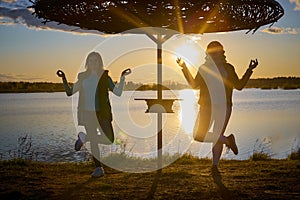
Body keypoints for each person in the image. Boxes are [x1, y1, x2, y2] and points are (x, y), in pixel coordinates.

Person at [177, 41, 258, 172]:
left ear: (221, 52)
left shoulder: (228, 68)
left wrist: (249, 70)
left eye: (216, 51)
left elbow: (239, 86)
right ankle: (228, 140)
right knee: (198, 135)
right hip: (206, 107)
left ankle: (215, 166)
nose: (214, 54)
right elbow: (194, 85)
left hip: (224, 107)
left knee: (216, 135)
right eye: (211, 52)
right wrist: (184, 68)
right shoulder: (204, 68)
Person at [57, 52, 131, 177]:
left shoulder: (105, 78)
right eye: (91, 61)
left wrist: (122, 77)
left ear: (100, 62)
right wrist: (64, 78)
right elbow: (70, 92)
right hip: (87, 114)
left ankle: (84, 138)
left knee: (109, 139)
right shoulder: (82, 78)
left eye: (96, 61)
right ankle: (98, 169)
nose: (93, 63)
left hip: (102, 113)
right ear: (87, 63)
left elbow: (118, 92)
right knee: (94, 142)